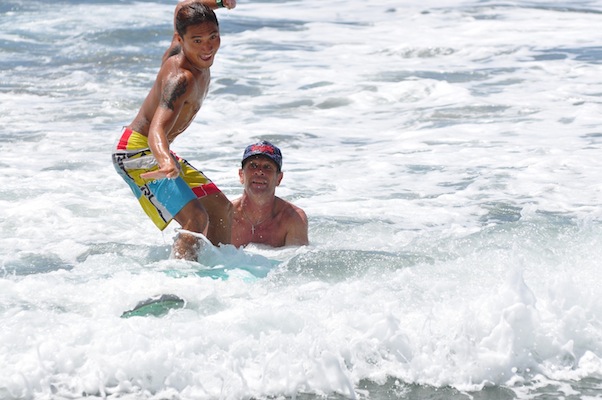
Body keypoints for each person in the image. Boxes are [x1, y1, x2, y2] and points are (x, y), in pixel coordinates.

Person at [112, 3, 233, 261]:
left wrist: (220, 3)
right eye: (197, 40)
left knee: (221, 210)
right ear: (181, 39)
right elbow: (157, 128)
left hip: (157, 149)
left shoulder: (183, 49)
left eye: (213, 37)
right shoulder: (181, 78)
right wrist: (165, 159)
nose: (207, 47)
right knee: (196, 219)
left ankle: (217, 271)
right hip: (136, 151)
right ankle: (178, 276)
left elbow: (182, 5)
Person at [231, 141, 309, 247]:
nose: (259, 171)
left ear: (279, 178)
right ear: (241, 175)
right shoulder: (225, 216)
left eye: (267, 167)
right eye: (253, 165)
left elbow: (297, 257)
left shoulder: (293, 219)